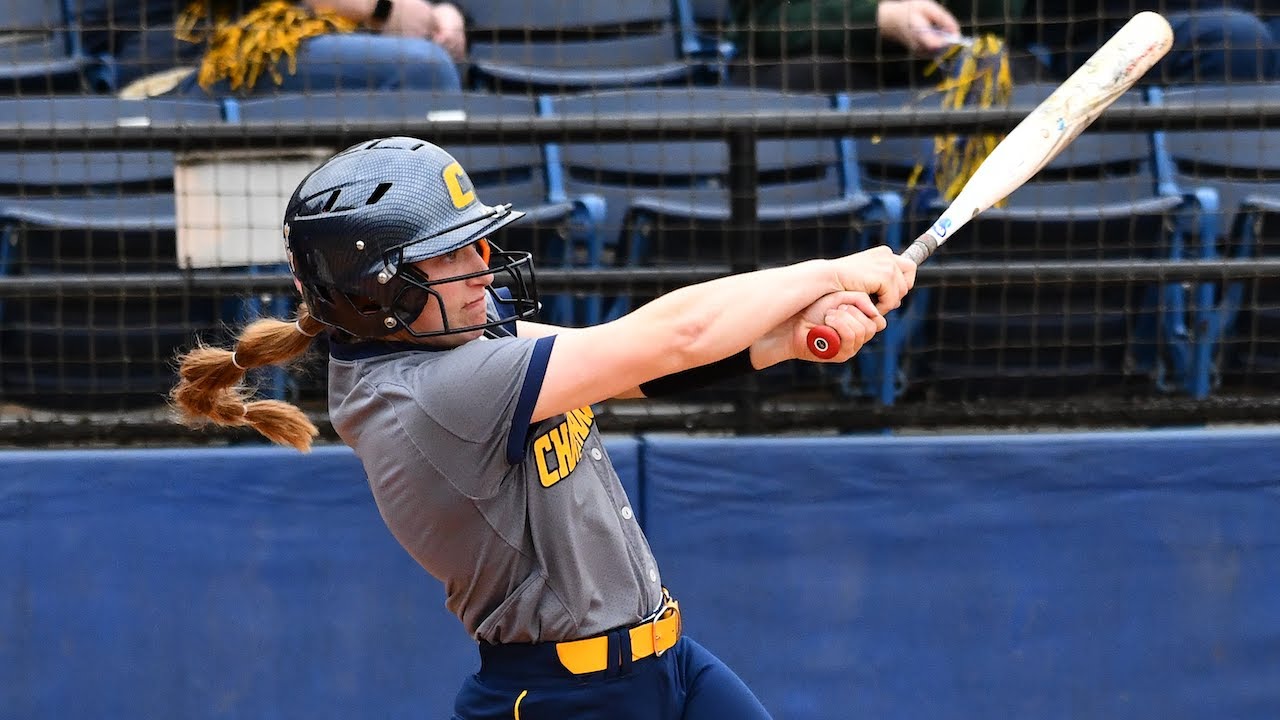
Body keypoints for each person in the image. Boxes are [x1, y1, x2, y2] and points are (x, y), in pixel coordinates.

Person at [170, 137, 915, 719]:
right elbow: (674, 336)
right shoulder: (425, 392)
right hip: (566, 700)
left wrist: (786, 338)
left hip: (668, 665)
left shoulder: (445, 340)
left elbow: (629, 371)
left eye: (472, 244)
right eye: (447, 256)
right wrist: (832, 272)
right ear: (375, 292)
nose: (481, 270)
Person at [729, 0, 1280, 90]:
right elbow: (760, 23)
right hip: (841, 72)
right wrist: (880, 15)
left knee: (1235, 40)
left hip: (987, 66)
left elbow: (1020, 24)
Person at [80, 0, 464, 97]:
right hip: (181, 69)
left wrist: (443, 11)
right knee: (421, 69)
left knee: (429, 65)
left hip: (291, 54)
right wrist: (377, 8)